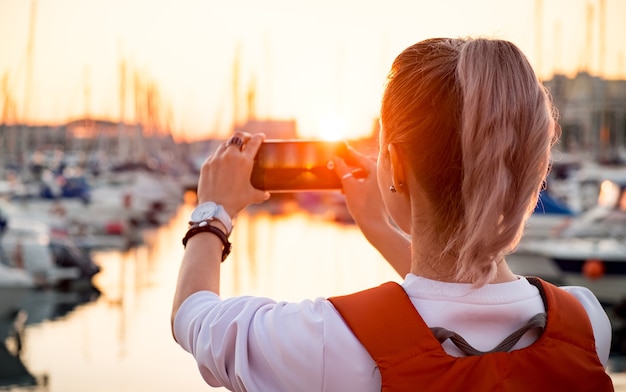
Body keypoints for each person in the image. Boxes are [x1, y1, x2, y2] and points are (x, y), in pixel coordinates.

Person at [171, 37, 614, 391]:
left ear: (396, 165)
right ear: (534, 165)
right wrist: (381, 228)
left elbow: (192, 317)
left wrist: (213, 212)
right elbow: (461, 294)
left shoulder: (332, 343)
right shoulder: (587, 324)